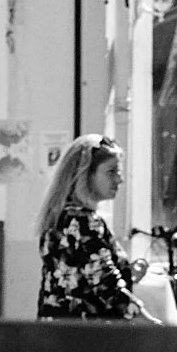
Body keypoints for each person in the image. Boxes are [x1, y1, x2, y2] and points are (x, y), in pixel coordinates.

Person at [34, 134, 145, 320]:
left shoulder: (59, 216)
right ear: (85, 173)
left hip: (53, 329)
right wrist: (141, 314)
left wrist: (127, 273)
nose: (120, 179)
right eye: (111, 172)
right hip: (87, 334)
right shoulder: (84, 221)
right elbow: (106, 284)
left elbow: (79, 274)